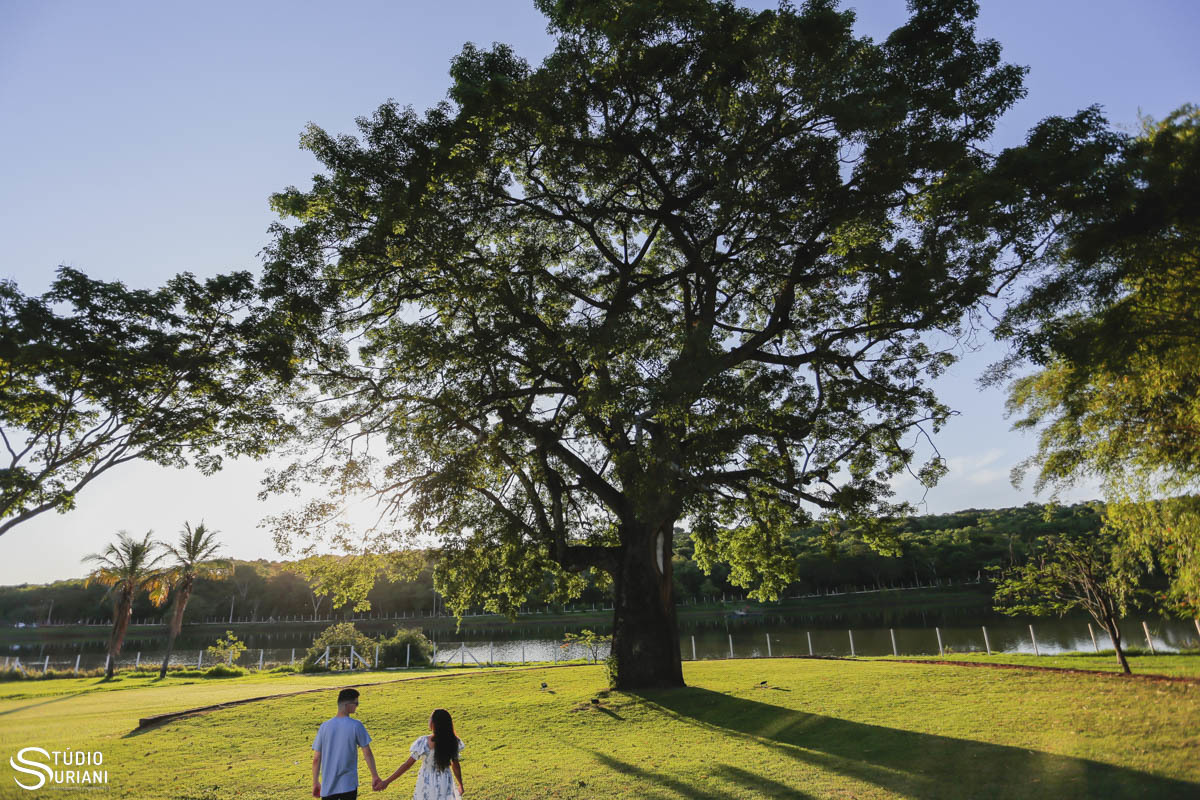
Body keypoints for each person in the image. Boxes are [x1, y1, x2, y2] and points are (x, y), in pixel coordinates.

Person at [377, 708, 465, 798]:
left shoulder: (423, 742)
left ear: (434, 724)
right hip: (445, 780)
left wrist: (387, 781)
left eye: (430, 718)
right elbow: (456, 765)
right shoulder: (453, 741)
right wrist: (460, 784)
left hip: (426, 782)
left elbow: (407, 765)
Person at [312, 687, 382, 799]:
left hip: (328, 787)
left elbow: (316, 759)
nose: (357, 706)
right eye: (356, 703)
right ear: (348, 705)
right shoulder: (356, 725)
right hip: (348, 785)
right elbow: (367, 752)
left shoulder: (324, 727)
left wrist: (315, 782)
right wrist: (374, 776)